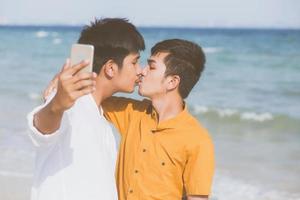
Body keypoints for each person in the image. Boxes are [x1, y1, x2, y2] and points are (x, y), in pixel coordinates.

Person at [41, 39, 215, 200]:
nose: (142, 72)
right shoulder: (133, 113)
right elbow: (94, 92)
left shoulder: (198, 140)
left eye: (151, 67)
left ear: (172, 82)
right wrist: (61, 81)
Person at [27, 18, 145, 200]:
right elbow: (42, 129)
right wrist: (57, 104)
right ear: (111, 68)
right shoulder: (72, 103)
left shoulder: (101, 118)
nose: (140, 70)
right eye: (134, 62)